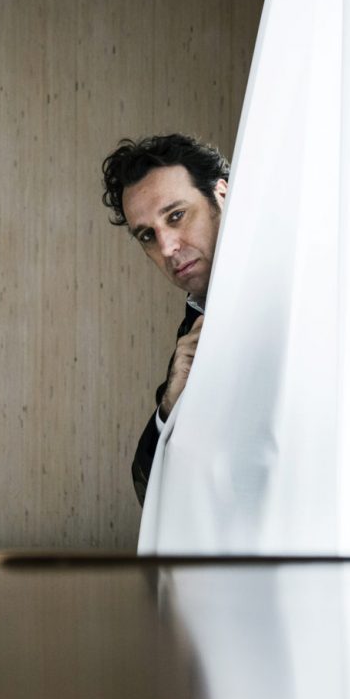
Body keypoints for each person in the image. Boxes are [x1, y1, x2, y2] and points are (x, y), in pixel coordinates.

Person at [101, 134, 230, 505]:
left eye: (176, 216)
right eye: (147, 235)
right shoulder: (193, 329)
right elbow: (146, 489)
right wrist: (170, 408)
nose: (167, 247)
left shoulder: (300, 295)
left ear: (222, 197)